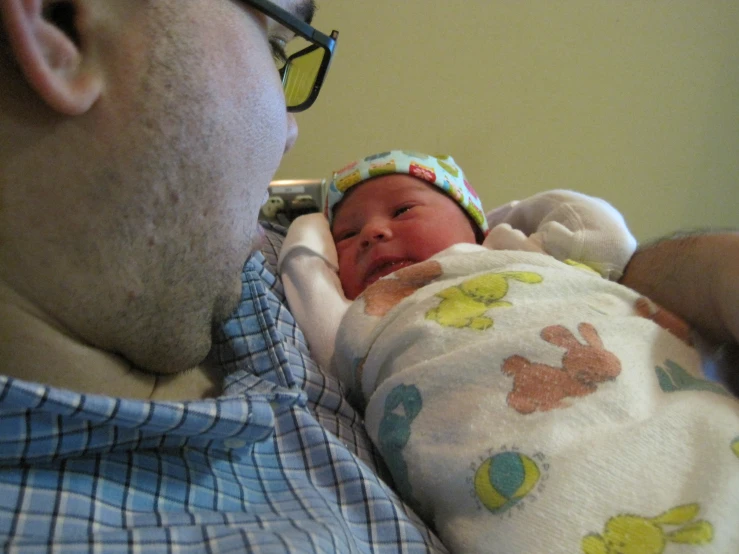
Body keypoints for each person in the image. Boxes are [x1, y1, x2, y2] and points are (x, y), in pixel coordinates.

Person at [0, 1, 736, 553]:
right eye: (273, 43)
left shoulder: (239, 251)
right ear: (62, 24)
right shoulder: (328, 292)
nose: (290, 129)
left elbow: (583, 259)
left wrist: (686, 272)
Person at [277, 150, 739, 552]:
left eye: (402, 210)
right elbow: (305, 276)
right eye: (345, 234)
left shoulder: (525, 248)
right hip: (509, 468)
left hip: (651, 396)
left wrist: (503, 219)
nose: (372, 232)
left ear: (475, 222)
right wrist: (308, 222)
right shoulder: (360, 317)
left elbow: (606, 236)